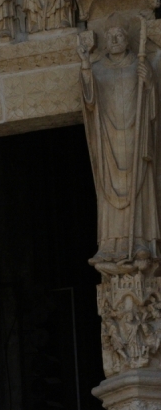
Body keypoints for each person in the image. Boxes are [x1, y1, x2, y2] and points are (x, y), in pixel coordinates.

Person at [79, 24, 160, 264]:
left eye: (120, 35)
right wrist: (85, 65)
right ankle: (110, 244)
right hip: (108, 142)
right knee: (108, 191)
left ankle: (141, 241)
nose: (114, 39)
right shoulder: (98, 69)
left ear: (128, 40)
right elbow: (89, 101)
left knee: (142, 183)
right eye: (110, 35)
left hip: (135, 138)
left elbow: (153, 108)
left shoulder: (139, 65)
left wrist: (149, 84)